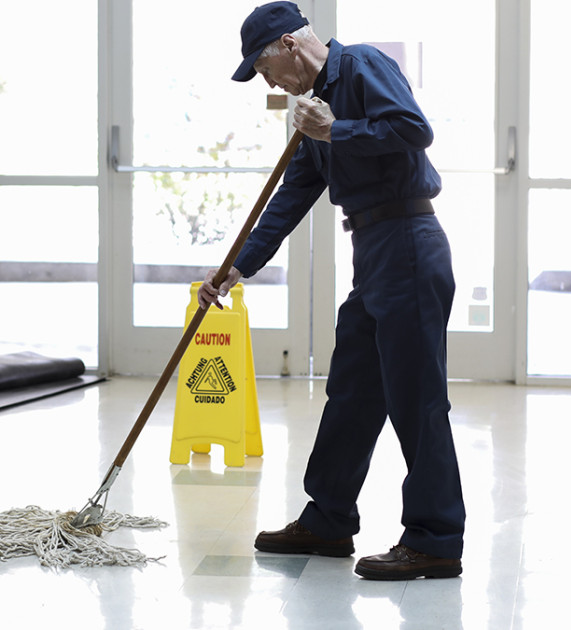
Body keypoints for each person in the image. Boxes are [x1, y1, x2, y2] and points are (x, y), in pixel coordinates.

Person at [199, 1, 466, 580]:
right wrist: (235, 268)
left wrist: (336, 129)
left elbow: (415, 130)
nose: (266, 82)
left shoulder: (363, 65)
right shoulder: (309, 111)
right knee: (351, 391)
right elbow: (293, 196)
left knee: (417, 399)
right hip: (372, 252)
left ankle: (436, 539)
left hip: (410, 242)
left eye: (265, 68)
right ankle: (327, 520)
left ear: (290, 47)